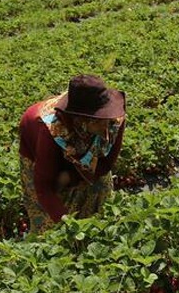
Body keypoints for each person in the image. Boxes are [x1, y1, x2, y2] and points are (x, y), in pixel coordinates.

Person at [18, 74, 126, 233]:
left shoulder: (114, 121)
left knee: (99, 194)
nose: (106, 128)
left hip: (81, 156)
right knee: (51, 226)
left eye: (108, 118)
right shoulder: (50, 131)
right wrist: (70, 226)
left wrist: (72, 176)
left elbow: (106, 164)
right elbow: (43, 188)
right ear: (84, 121)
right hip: (38, 152)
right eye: (99, 121)